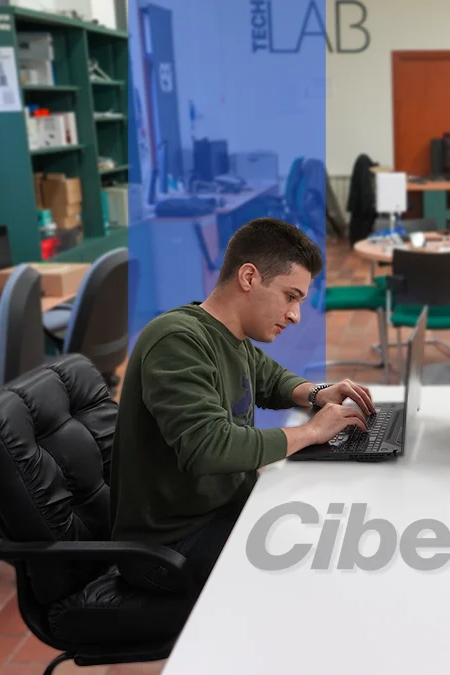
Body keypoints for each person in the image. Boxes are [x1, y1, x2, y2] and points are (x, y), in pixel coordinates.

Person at [111, 217, 377, 595]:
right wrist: (312, 431)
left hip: (217, 513)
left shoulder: (231, 337)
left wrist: (318, 392)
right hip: (167, 547)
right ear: (249, 278)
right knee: (314, 571)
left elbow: (271, 379)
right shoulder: (176, 341)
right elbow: (209, 448)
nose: (295, 315)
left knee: (333, 527)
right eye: (290, 296)